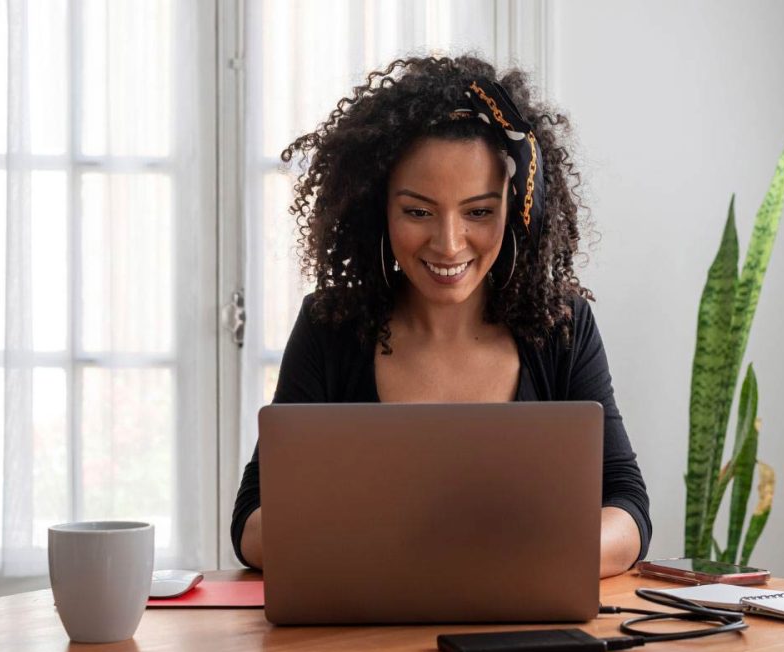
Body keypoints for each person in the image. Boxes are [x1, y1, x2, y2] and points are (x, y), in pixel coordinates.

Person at [231, 54, 651, 578]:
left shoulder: (562, 326)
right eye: (418, 211)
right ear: (377, 209)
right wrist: (415, 555)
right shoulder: (329, 326)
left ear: (519, 208)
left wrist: (512, 559)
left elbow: (628, 508)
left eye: (478, 212)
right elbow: (253, 523)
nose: (449, 244)